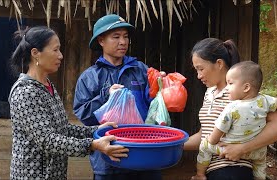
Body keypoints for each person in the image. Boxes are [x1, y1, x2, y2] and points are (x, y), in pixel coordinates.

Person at [8, 26, 129, 180]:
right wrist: (92, 145)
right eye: (55, 50)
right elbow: (47, 140)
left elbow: (62, 129)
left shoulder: (47, 86)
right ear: (35, 53)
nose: (60, 56)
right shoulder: (26, 92)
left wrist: (96, 130)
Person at [184, 37, 277, 180]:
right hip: (210, 168)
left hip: (234, 168)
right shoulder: (209, 93)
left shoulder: (240, 93)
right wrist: (173, 145)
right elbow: (205, 135)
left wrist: (242, 148)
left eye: (201, 69)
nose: (198, 75)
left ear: (219, 64)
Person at [73, 14, 162, 180]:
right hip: (109, 159)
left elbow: (154, 106)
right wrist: (106, 96)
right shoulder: (90, 77)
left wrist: (163, 87)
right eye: (116, 37)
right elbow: (84, 114)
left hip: (145, 155)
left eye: (126, 36)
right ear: (101, 41)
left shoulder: (141, 70)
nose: (123, 42)